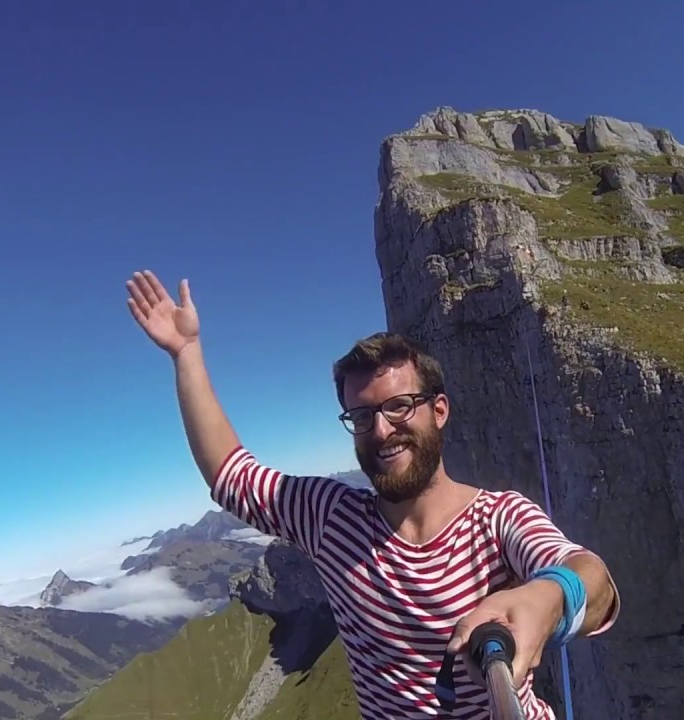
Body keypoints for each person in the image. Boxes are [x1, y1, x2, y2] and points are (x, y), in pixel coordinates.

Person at [125, 269, 620, 719]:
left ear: (439, 410)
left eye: (400, 407)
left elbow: (593, 580)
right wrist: (185, 353)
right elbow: (231, 476)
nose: (381, 431)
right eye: (363, 417)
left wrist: (547, 595)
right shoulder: (331, 517)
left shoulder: (498, 520)